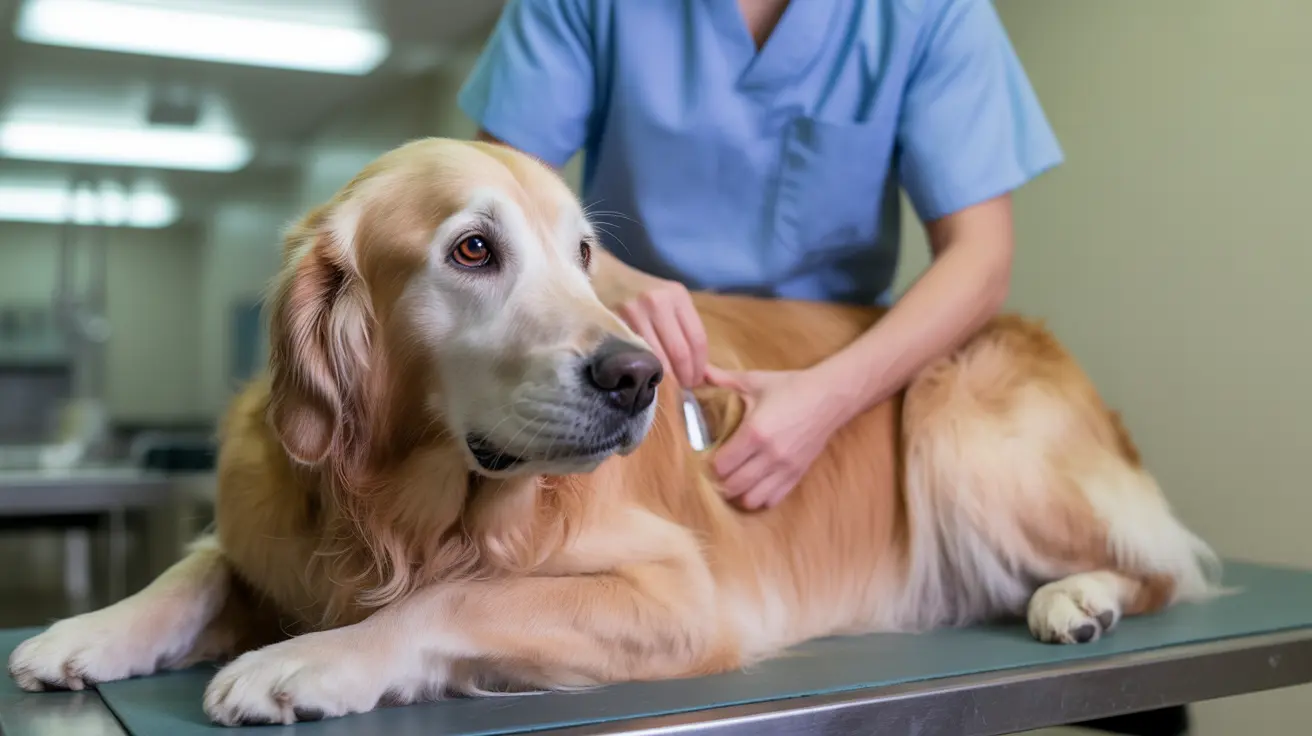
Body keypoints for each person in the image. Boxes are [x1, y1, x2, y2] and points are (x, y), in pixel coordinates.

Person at [457, 0, 1063, 511]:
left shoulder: (934, 13)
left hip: (832, 371)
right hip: (639, 357)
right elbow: (503, 193)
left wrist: (829, 399)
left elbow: (981, 258)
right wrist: (608, 278)